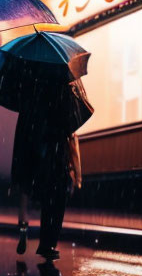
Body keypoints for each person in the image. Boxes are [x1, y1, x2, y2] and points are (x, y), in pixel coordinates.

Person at [11, 76, 91, 260]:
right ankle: (48, 243)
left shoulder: (32, 85)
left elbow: (27, 125)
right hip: (56, 148)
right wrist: (76, 172)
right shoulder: (64, 85)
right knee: (56, 196)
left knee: (32, 191)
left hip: (37, 146)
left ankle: (25, 227)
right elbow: (71, 124)